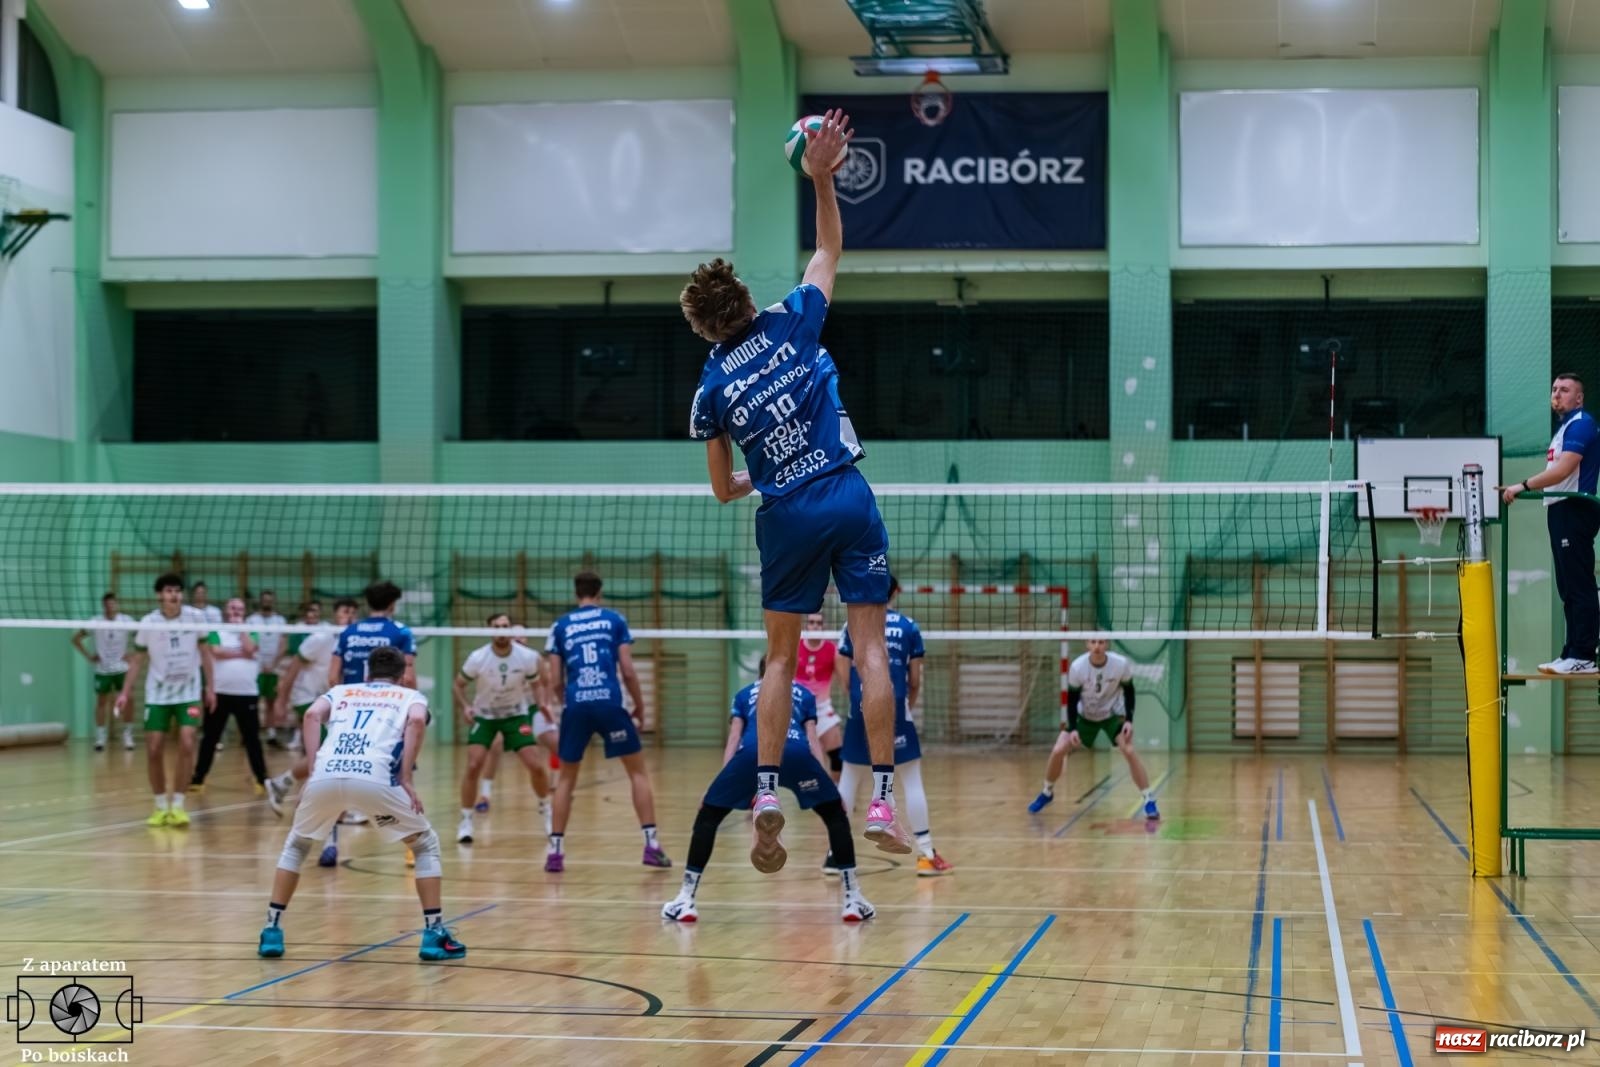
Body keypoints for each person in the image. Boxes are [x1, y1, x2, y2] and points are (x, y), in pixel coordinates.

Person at [682, 108, 910, 872]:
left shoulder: (711, 387)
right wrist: (821, 179)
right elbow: (829, 247)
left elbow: (723, 489)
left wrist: (762, 473)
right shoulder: (791, 322)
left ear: (708, 330)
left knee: (777, 662)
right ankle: (881, 795)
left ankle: (770, 788)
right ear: (746, 301)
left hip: (783, 514)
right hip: (846, 494)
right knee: (870, 646)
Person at [256, 646, 466, 962]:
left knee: (297, 845)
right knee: (424, 845)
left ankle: (272, 928)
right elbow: (418, 722)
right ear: (402, 675)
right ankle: (434, 933)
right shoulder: (410, 697)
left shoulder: (341, 690)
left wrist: (313, 770)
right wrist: (406, 777)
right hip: (375, 778)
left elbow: (312, 715)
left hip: (327, 776)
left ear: (367, 673)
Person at [662, 660, 873, 923]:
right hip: (797, 754)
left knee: (709, 816)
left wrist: (720, 782)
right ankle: (853, 898)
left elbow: (734, 738)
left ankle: (686, 899)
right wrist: (827, 786)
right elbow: (811, 739)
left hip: (753, 754)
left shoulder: (744, 694)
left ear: (761, 672)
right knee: (834, 816)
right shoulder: (804, 693)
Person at [543, 570, 669, 872]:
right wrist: (639, 707)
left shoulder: (560, 626)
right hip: (610, 703)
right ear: (600, 592)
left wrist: (568, 703)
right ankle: (651, 846)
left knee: (566, 780)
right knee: (637, 774)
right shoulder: (614, 620)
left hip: (577, 705)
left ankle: (555, 853)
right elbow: (627, 670)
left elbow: (554, 678)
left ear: (576, 593)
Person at [835, 578, 953, 877]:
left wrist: (858, 699)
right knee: (911, 779)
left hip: (860, 707)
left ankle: (834, 855)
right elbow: (915, 680)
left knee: (849, 779)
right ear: (895, 592)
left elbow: (844, 669)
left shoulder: (853, 625)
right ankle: (926, 853)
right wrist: (903, 707)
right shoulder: (910, 627)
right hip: (894, 706)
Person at [1503, 372, 1600, 674]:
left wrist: (1522, 485)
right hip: (1559, 510)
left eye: (1565, 390)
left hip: (1575, 509)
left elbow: (1562, 471)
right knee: (1567, 586)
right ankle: (1571, 652)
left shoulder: (1582, 424)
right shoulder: (1564, 429)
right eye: (1554, 389)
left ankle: (1584, 654)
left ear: (1579, 398)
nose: (1556, 394)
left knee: (1579, 584)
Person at [117, 573, 215, 827]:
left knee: (186, 742)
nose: (174, 595)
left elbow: (205, 654)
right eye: (169, 591)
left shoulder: (195, 617)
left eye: (178, 591)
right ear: (159, 595)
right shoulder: (148, 622)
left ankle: (179, 805)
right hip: (158, 693)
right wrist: (125, 692)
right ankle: (161, 806)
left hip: (188, 692)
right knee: (153, 748)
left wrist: (211, 688)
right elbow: (138, 660)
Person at [1028, 640, 1160, 819]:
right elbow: (1072, 700)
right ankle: (1047, 792)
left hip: (1112, 714)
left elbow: (1129, 692)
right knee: (1058, 749)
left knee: (1128, 750)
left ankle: (1148, 799)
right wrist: (1073, 728)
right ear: (1087, 645)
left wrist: (1129, 720)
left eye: (1101, 642)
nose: (1097, 646)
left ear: (1107, 645)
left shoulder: (1120, 664)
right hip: (1085, 716)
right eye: (1093, 642)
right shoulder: (1078, 667)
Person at [452, 613, 555, 844]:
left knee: (536, 765)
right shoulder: (478, 658)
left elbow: (538, 683)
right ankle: (466, 821)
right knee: (473, 764)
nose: (502, 630)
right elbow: (458, 685)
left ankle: (546, 810)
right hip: (485, 715)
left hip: (515, 716)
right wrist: (466, 707)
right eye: (497, 626)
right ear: (490, 630)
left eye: (506, 626)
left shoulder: (527, 657)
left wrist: (542, 705)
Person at [265, 598, 356, 814]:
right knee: (331, 751)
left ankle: (282, 783)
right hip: (307, 698)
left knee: (330, 752)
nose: (350, 616)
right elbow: (294, 667)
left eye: (353, 612)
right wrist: (280, 701)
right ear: (335, 614)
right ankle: (333, 806)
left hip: (331, 701)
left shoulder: (352, 638)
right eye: (345, 611)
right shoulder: (321, 638)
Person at [191, 597, 270, 793]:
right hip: (220, 693)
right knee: (210, 738)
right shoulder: (216, 630)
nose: (236, 611)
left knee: (252, 739)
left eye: (240, 608)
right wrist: (241, 653)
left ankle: (262, 779)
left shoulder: (251, 630)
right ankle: (198, 778)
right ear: (226, 610)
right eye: (232, 608)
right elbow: (216, 651)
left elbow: (251, 648)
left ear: (244, 612)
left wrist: (241, 630)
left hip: (247, 694)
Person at [73, 593, 134, 751]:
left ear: (117, 604)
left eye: (113, 603)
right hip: (103, 669)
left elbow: (144, 637)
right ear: (103, 606)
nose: (110, 606)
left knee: (128, 700)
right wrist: (88, 656)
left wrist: (133, 654)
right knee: (101, 703)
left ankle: (128, 735)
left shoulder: (126, 621)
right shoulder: (95, 622)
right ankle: (100, 737)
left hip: (121, 668)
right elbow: (75, 639)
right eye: (107, 604)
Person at [331, 580, 416, 687]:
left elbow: (333, 678)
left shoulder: (347, 632)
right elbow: (408, 679)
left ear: (367, 603)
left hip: (354, 700)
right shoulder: (402, 632)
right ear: (392, 604)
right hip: (388, 701)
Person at [796, 612, 844, 777]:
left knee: (838, 756)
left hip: (822, 709)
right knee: (801, 758)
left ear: (824, 627)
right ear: (806, 625)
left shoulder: (832, 649)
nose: (815, 626)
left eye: (819, 623)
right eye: (811, 622)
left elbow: (844, 679)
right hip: (798, 710)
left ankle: (836, 792)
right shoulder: (796, 645)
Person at [247, 590, 288, 747]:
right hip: (255, 668)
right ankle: (251, 734)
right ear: (261, 601)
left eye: (270, 600)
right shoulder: (252, 620)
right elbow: (248, 643)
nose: (267, 602)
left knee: (271, 702)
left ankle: (271, 734)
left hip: (273, 669)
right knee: (252, 703)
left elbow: (283, 645)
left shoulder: (280, 620)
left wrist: (273, 663)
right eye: (265, 600)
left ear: (273, 602)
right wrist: (260, 662)